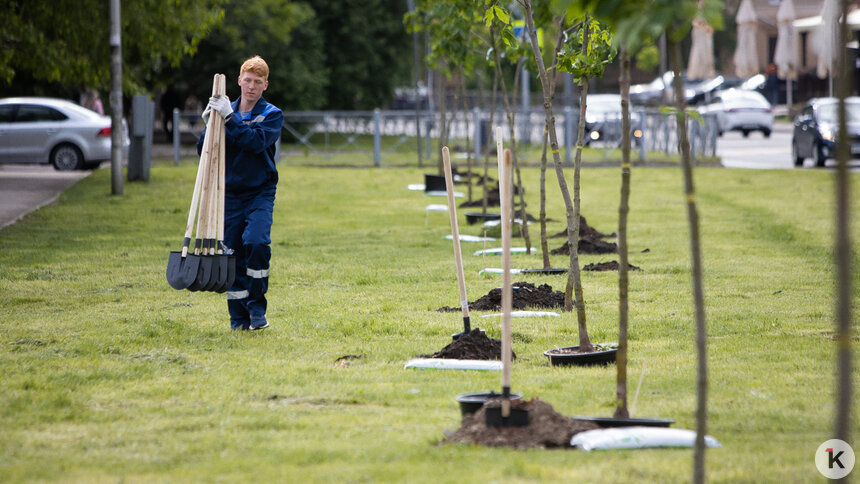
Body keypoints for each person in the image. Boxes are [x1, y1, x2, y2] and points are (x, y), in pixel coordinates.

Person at [197, 55, 284, 331]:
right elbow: (203, 152)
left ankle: (257, 308)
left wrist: (229, 118)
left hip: (260, 193)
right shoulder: (223, 112)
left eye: (257, 82)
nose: (251, 87)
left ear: (265, 85)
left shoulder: (271, 114)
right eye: (247, 80)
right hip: (229, 194)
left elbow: (255, 142)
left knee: (256, 243)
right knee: (231, 255)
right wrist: (209, 125)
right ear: (239, 81)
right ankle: (238, 320)